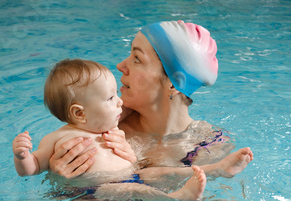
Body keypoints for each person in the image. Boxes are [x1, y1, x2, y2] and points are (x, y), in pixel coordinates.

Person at [47, 21, 253, 182]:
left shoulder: (208, 145)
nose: (120, 65)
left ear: (173, 84)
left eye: (137, 59)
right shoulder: (101, 122)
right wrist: (60, 173)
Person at [12, 58, 207, 201]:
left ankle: (207, 174)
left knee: (155, 173)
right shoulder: (58, 138)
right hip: (97, 190)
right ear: (80, 114)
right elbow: (33, 167)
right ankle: (175, 197)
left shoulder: (113, 130)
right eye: (110, 98)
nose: (120, 100)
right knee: (127, 190)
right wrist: (22, 157)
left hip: (130, 179)